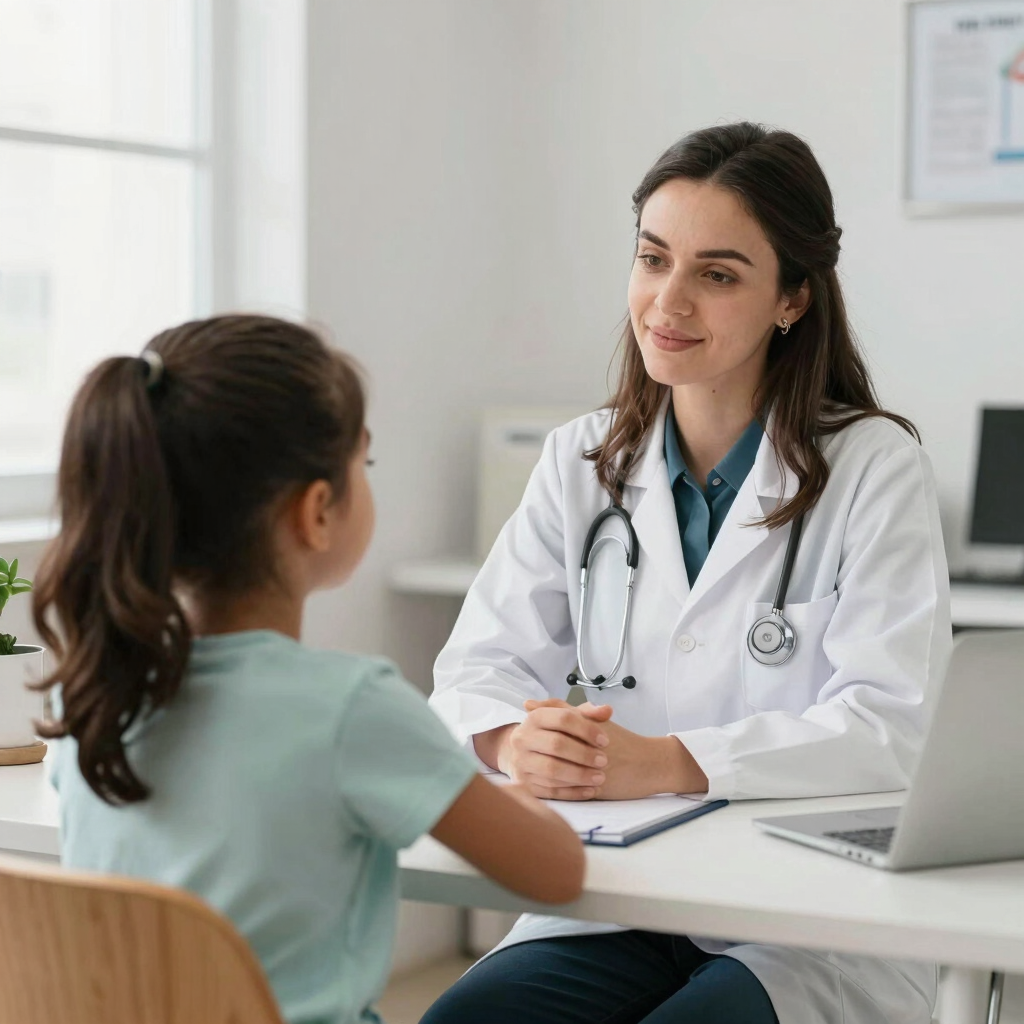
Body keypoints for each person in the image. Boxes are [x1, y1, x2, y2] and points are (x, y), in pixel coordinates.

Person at [424, 123, 952, 1024]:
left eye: (717, 274)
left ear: (792, 297)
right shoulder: (579, 459)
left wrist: (667, 762)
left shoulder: (871, 466)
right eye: (652, 259)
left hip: (804, 919)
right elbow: (472, 672)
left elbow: (894, 723)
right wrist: (517, 742)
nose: (667, 302)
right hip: (611, 898)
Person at [31, 314, 585, 1024]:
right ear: (317, 512)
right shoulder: (351, 708)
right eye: (366, 463)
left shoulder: (94, 702)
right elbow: (556, 871)